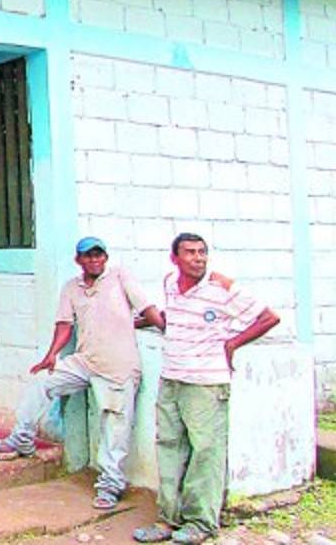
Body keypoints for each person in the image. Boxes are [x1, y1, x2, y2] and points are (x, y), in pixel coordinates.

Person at [0, 236, 164, 510]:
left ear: (105, 257)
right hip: (85, 361)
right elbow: (64, 325)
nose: (94, 260)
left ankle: (110, 485)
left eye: (99, 254)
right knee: (43, 382)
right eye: (88, 255)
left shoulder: (120, 277)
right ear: (78, 260)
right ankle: (22, 439)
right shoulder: (72, 287)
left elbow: (146, 309)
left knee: (114, 426)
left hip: (118, 367)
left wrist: (165, 327)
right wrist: (51, 355)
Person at [133, 233, 279, 545]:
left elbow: (269, 317)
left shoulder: (222, 288)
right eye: (190, 252)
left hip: (206, 384)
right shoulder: (170, 283)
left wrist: (233, 343)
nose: (198, 258)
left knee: (205, 453)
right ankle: (168, 519)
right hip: (172, 378)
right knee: (169, 448)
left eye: (202, 252)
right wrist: (135, 322)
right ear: (175, 258)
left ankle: (201, 523)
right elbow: (173, 316)